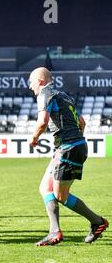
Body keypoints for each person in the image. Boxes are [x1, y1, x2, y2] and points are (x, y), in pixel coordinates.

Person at [28, 67, 108, 246]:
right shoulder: (63, 95)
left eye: (31, 82)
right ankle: (55, 231)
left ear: (40, 80)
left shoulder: (44, 94)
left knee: (60, 195)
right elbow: (82, 122)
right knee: (45, 188)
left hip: (68, 148)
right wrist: (76, 140)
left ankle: (97, 222)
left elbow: (42, 122)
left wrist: (34, 139)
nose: (30, 87)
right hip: (69, 147)